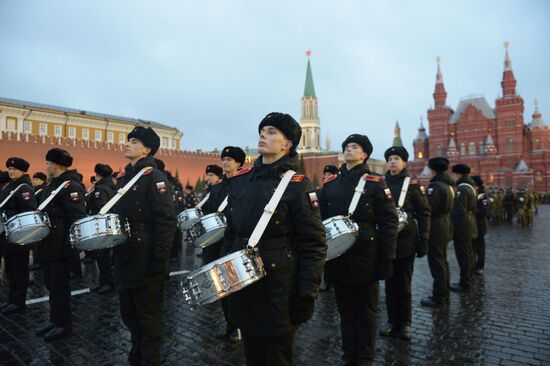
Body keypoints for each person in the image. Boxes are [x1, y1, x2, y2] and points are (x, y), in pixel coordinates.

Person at [222, 112, 326, 366]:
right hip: (244, 283)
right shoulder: (240, 181)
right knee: (252, 354)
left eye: (271, 132)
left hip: (278, 287)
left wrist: (306, 294)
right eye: (262, 130)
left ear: (287, 143)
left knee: (276, 356)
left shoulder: (297, 185)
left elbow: (313, 244)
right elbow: (231, 233)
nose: (263, 135)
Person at [321, 134, 398, 365]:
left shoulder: (375, 182)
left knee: (365, 314)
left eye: (355, 147)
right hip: (339, 256)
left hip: (366, 256)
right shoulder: (332, 183)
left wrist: (387, 259)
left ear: (364, 154)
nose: (349, 149)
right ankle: (348, 356)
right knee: (345, 312)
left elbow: (389, 222)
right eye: (346, 146)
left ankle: (364, 359)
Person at [112, 126, 177, 366]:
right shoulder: (124, 178)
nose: (127, 144)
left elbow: (167, 222)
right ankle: (136, 356)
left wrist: (159, 262)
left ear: (147, 149)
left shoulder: (155, 177)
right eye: (128, 140)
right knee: (129, 314)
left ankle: (149, 359)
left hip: (146, 255)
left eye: (135, 141)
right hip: (125, 254)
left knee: (148, 318)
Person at [35, 148, 87, 341]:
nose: (46, 166)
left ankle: (63, 324)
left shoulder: (70, 186)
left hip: (61, 246)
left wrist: (73, 247)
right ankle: (54, 320)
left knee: (59, 286)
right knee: (50, 283)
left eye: (47, 163)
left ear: (55, 165)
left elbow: (77, 217)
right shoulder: (54, 184)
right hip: (49, 243)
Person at [379, 147, 430, 341]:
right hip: (386, 241)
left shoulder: (413, 184)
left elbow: (424, 213)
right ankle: (392, 321)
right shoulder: (380, 183)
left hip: (406, 241)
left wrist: (424, 239)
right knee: (389, 283)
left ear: (404, 162)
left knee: (404, 284)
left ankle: (406, 323)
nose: (392, 162)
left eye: (396, 158)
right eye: (390, 158)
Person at [200, 146, 246, 342]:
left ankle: (240, 326)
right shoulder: (216, 189)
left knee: (236, 286)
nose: (225, 162)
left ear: (239, 163)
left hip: (235, 241)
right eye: (224, 159)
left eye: (230, 159)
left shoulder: (245, 185)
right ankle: (230, 324)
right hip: (216, 242)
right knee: (221, 286)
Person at [0, 157, 38, 315]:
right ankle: (11, 299)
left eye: (14, 169)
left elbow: (28, 212)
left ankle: (18, 302)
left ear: (23, 171)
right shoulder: (11, 186)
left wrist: (7, 215)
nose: (11, 171)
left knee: (19, 270)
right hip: (7, 236)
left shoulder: (24, 189)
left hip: (19, 236)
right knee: (10, 271)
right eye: (9, 169)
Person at [420, 157, 456, 308]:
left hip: (436, 227)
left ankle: (439, 297)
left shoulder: (435, 186)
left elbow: (428, 208)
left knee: (437, 263)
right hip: (446, 224)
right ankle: (444, 293)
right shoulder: (450, 185)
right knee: (442, 261)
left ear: (433, 169)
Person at [87, 163, 116, 293]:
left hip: (101, 225)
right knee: (103, 255)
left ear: (99, 175)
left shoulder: (101, 189)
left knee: (102, 256)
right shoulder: (109, 187)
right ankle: (103, 282)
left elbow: (100, 207)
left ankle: (108, 283)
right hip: (107, 224)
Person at [449, 164, 477, 292]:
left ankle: (464, 283)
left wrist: (454, 228)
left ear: (458, 174)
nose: (452, 177)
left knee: (463, 256)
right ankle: (468, 280)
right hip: (470, 224)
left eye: (453, 174)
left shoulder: (462, 188)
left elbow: (459, 211)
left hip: (463, 227)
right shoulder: (470, 186)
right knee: (469, 254)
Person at [471, 175, 489, 275]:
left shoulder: (482, 196)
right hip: (472, 225)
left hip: (480, 225)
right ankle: (473, 265)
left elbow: (484, 210)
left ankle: (480, 266)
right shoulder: (473, 194)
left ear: (476, 185)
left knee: (480, 248)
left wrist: (471, 212)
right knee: (472, 247)